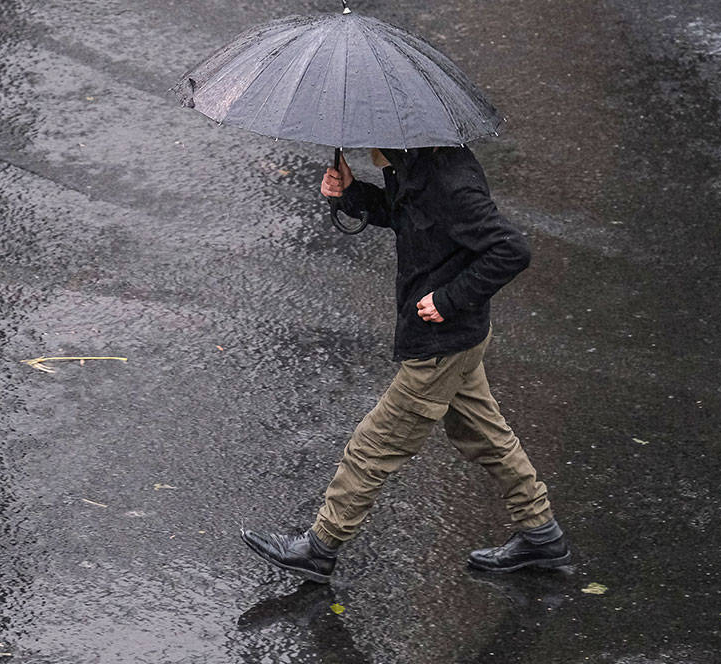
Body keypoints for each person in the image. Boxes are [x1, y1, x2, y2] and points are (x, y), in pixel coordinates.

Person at [241, 146, 570, 583]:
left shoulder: (450, 182)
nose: (362, 144)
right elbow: (407, 219)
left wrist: (449, 299)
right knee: (487, 436)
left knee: (373, 445)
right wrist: (351, 193)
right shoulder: (414, 163)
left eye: (367, 136)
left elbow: (512, 249)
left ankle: (319, 548)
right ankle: (541, 535)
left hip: (440, 344)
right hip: (456, 339)